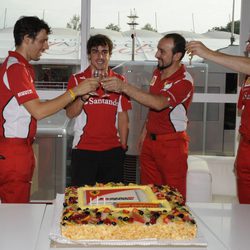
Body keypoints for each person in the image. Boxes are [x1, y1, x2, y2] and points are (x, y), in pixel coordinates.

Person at [0, 16, 99, 203]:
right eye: (42, 40)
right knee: (15, 214)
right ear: (27, 39)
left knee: (13, 210)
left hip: (17, 148)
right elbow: (38, 111)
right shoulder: (16, 69)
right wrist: (75, 91)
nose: (46, 46)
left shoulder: (18, 66)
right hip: (13, 151)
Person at [102, 33, 194, 200]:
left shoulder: (184, 80)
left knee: (174, 198)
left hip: (172, 145)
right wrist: (145, 130)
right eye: (157, 50)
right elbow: (153, 107)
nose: (156, 55)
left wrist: (124, 87)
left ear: (177, 56)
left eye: (162, 51)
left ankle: (176, 226)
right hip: (150, 143)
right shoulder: (157, 72)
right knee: (150, 195)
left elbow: (159, 103)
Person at [186, 40, 250, 204]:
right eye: (248, 42)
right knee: (244, 208)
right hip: (246, 148)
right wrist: (240, 156)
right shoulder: (246, 79)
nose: (248, 46)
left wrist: (208, 53)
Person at [66, 34, 131, 186]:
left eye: (105, 52)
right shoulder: (77, 79)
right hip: (84, 150)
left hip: (112, 151)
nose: (100, 56)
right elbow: (70, 113)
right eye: (95, 51)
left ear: (110, 55)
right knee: (81, 202)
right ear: (89, 55)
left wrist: (123, 146)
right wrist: (84, 96)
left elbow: (123, 116)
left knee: (111, 203)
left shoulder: (119, 81)